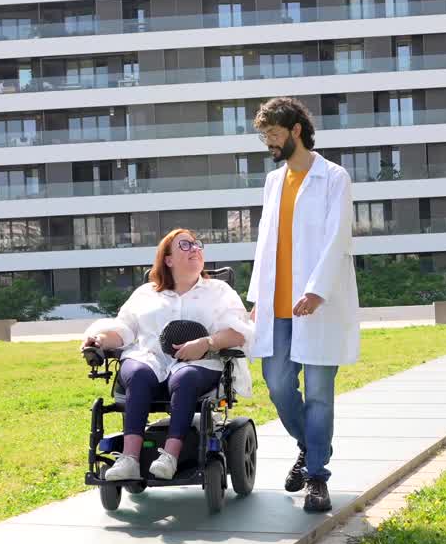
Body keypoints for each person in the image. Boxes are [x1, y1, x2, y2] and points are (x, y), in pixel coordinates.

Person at [248, 97, 360, 513]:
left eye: (274, 134)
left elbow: (337, 237)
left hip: (318, 305)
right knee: (278, 384)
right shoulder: (273, 181)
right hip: (277, 305)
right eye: (265, 136)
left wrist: (317, 290)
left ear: (296, 130)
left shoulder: (334, 177)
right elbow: (265, 244)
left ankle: (316, 477)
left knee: (319, 395)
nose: (270, 143)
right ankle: (311, 445)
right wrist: (257, 298)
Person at [82, 229, 254, 482]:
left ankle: (170, 457)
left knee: (185, 377)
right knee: (137, 373)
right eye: (185, 245)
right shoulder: (145, 294)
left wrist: (207, 342)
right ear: (168, 259)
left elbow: (239, 333)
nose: (195, 249)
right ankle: (129, 459)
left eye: (197, 244)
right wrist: (100, 339)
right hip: (148, 359)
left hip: (201, 361)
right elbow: (124, 329)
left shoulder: (219, 291)